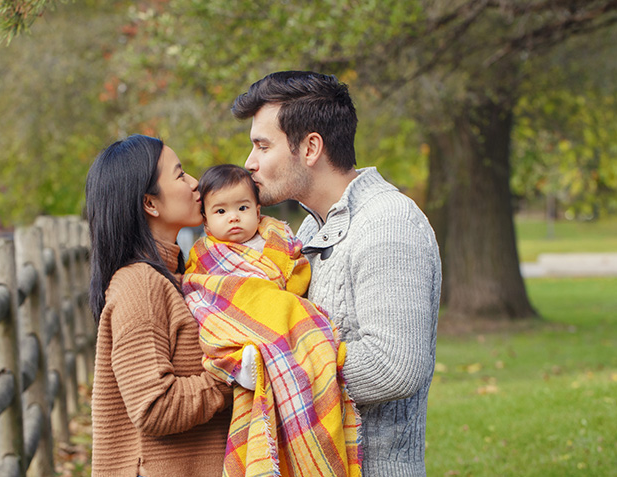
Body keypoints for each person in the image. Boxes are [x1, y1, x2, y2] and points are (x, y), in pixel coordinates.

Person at [231, 71, 442, 477]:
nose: (249, 163)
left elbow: (393, 368)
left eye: (262, 145)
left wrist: (267, 379)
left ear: (311, 147)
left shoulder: (389, 223)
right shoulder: (311, 229)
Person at [182, 164, 362, 476]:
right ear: (207, 218)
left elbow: (298, 276)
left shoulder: (276, 238)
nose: (234, 217)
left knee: (299, 324)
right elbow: (204, 296)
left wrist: (281, 294)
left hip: (280, 325)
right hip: (237, 323)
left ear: (257, 208)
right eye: (221, 211)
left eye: (242, 207)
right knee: (221, 332)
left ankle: (276, 363)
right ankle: (239, 363)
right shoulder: (206, 254)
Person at [85, 134, 233, 477]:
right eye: (180, 175)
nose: (196, 183)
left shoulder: (175, 275)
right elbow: (154, 407)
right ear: (150, 203)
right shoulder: (141, 284)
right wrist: (235, 375)